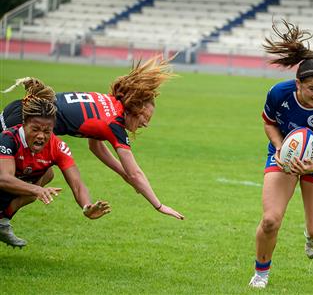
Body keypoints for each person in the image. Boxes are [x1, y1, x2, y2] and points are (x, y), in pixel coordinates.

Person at [1, 56, 184, 220]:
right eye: (146, 118)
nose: (146, 124)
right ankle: (3, 217)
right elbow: (135, 173)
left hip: (19, 110)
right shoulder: (115, 124)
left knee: (43, 174)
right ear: (134, 109)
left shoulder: (109, 103)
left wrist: (123, 174)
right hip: (27, 121)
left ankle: (3, 218)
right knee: (25, 178)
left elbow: (96, 147)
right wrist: (159, 205)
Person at [248, 20, 313, 288]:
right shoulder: (278, 93)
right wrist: (281, 148)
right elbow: (269, 122)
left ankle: (312, 237)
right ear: (297, 84)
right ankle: (261, 273)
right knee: (270, 220)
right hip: (283, 155)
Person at [0, 78, 111, 248]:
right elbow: (4, 179)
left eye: (47, 131)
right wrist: (37, 190)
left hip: (13, 184)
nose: (41, 136)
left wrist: (87, 205)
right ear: (24, 124)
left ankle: (2, 221)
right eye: (35, 129)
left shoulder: (58, 146)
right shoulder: (8, 137)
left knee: (47, 174)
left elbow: (78, 184)